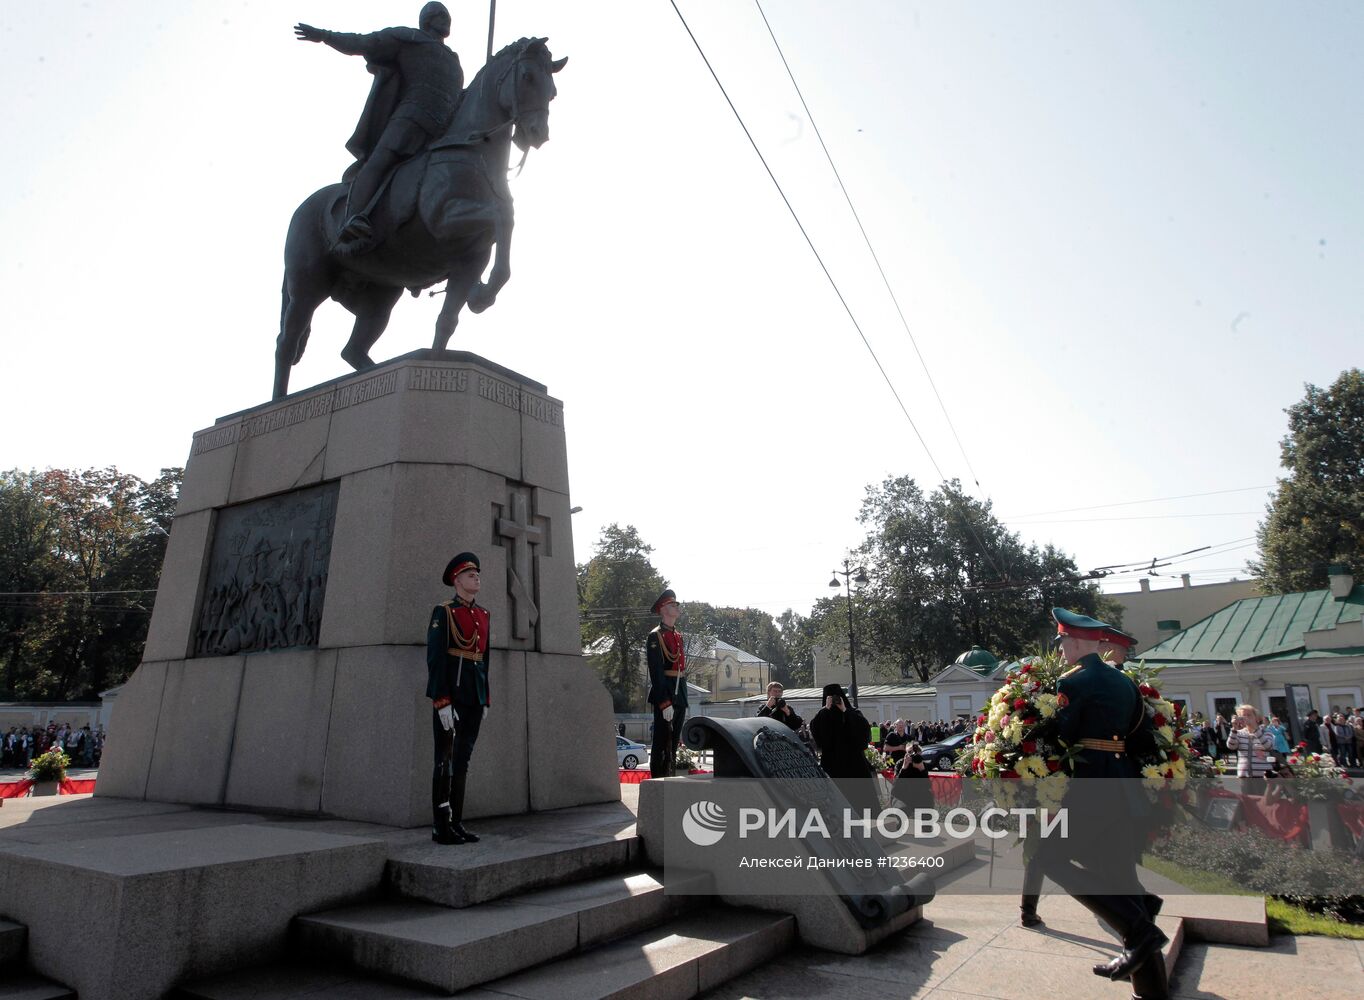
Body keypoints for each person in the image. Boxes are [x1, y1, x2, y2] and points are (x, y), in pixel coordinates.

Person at [1033, 608, 1168, 1000]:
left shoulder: (1073, 681)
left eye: (1062, 642)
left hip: (1091, 787)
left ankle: (1140, 926)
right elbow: (1141, 737)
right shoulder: (1125, 683)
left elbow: (1063, 733)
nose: (1061, 650)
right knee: (1120, 874)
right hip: (1124, 787)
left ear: (1075, 643)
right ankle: (1151, 986)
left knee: (1049, 858)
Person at [295, 2, 464, 250]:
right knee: (381, 160)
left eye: (447, 15)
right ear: (426, 19)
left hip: (442, 131)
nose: (446, 19)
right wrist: (325, 36)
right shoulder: (409, 38)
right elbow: (363, 42)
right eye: (439, 14)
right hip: (410, 118)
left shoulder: (453, 60)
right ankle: (353, 217)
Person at [426, 551, 491, 845]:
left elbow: (484, 659)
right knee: (445, 761)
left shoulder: (483, 615)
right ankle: (440, 826)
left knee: (462, 761)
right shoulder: (444, 612)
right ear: (457, 580)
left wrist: (485, 698)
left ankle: (456, 822)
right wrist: (441, 700)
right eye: (469, 575)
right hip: (451, 697)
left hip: (474, 696)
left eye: (477, 574)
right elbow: (436, 658)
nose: (476, 578)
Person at [810, 683, 879, 817]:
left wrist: (845, 711)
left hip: (854, 762)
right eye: (830, 697)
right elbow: (817, 735)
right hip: (832, 763)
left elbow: (863, 734)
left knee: (862, 801)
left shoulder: (853, 713)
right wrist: (825, 710)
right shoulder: (822, 716)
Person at [646, 589, 687, 778]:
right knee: (661, 742)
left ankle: (670, 778)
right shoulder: (655, 636)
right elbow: (656, 672)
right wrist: (664, 702)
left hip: (680, 690)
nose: (676, 606)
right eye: (672, 604)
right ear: (663, 609)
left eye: (676, 604)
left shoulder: (678, 636)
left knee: (673, 743)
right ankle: (657, 782)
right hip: (666, 692)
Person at [1226, 705, 1274, 792]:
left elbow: (1268, 746)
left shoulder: (1265, 732)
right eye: (1243, 715)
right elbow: (1231, 746)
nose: (1246, 718)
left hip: (1263, 776)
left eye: (1249, 715)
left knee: (1263, 799)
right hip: (1244, 776)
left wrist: (1255, 729)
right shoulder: (1239, 733)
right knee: (1247, 800)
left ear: (1257, 718)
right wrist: (1234, 729)